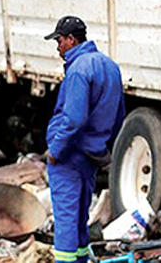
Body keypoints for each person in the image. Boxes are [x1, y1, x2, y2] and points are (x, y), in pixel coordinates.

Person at [44, 16, 125, 263]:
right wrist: (101, 145)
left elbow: (74, 119)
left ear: (71, 39)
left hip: (70, 154)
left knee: (66, 217)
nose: (57, 47)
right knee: (80, 214)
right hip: (91, 154)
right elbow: (119, 114)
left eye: (59, 41)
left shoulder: (79, 68)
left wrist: (55, 150)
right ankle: (80, 260)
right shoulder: (110, 65)